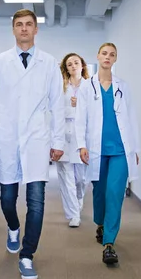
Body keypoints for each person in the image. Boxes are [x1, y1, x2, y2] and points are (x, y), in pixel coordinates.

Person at [0, 9, 65, 279]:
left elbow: (57, 104)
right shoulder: (0, 62)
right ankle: (13, 227)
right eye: (19, 25)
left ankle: (27, 255)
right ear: (13, 30)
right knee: (8, 199)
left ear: (36, 30)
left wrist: (58, 140)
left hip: (37, 138)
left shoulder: (48, 63)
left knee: (36, 202)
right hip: (8, 137)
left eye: (28, 25)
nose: (24, 29)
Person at [75, 42, 140, 265]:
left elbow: (132, 119)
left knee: (115, 193)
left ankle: (109, 243)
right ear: (98, 56)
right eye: (104, 53)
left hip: (121, 149)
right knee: (100, 192)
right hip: (96, 149)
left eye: (112, 55)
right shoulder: (86, 86)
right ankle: (101, 224)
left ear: (115, 59)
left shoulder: (123, 86)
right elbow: (80, 118)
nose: (107, 57)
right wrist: (81, 145)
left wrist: (136, 149)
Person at [56, 53, 90, 228]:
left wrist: (80, 106)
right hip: (63, 135)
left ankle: (79, 200)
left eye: (76, 63)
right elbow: (55, 112)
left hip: (82, 137)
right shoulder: (60, 86)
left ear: (82, 65)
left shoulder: (91, 86)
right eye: (69, 64)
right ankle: (73, 214)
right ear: (66, 68)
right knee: (65, 176)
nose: (73, 66)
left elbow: (94, 113)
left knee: (81, 179)